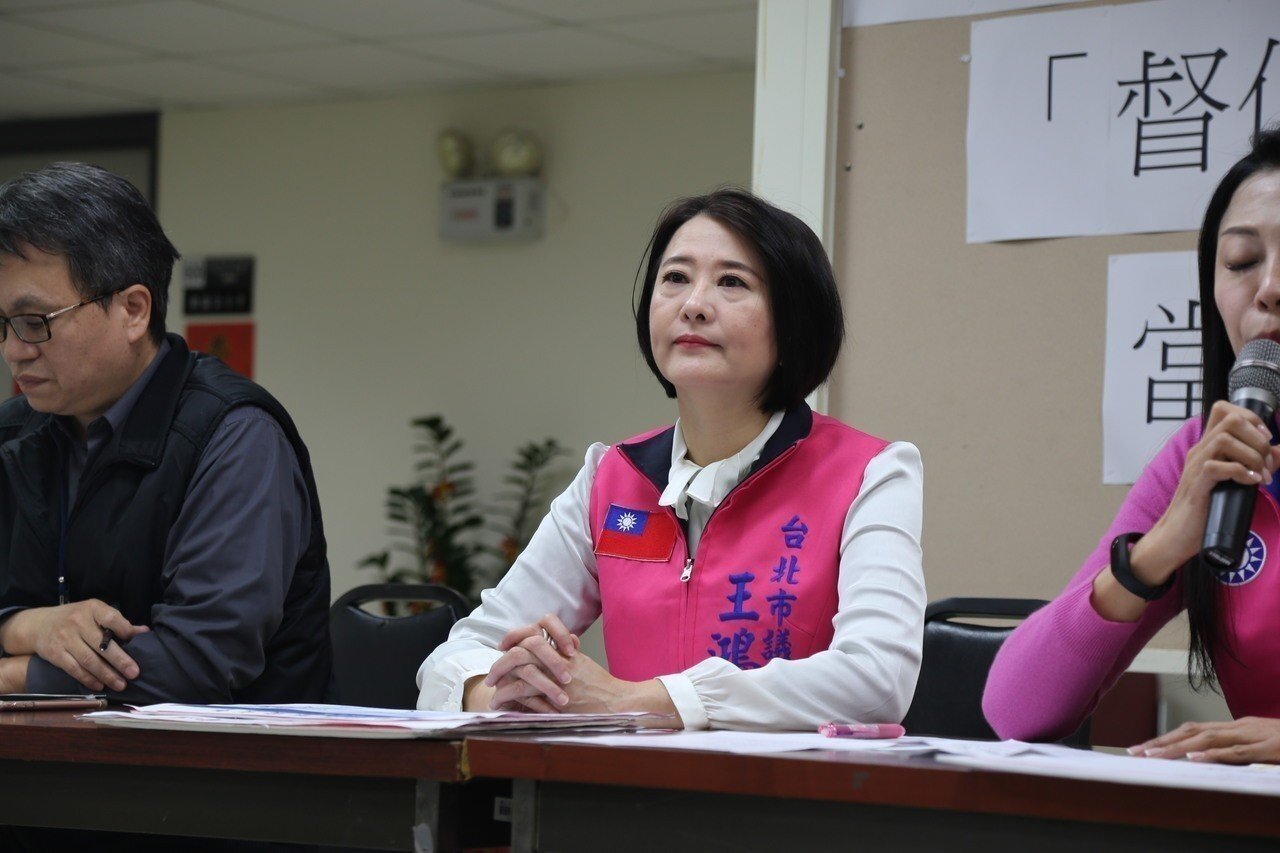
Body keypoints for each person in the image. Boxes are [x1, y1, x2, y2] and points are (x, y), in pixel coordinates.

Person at [417, 188, 925, 730]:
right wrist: (501, 690)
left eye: (732, 282)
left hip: (789, 785)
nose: (694, 305)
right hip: (627, 783)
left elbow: (877, 679)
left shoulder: (871, 473)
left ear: (794, 319)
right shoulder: (611, 477)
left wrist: (637, 701)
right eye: (676, 278)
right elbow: (460, 653)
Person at [983, 126, 1280, 764]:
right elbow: (1015, 709)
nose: (1270, 288)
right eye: (1241, 262)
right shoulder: (1205, 455)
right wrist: (1157, 551)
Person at [0, 162, 331, 704]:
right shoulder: (14, 434)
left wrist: (11, 675)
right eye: (2, 324)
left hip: (226, 755)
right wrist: (26, 627)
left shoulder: (234, 436)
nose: (14, 349)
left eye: (35, 321)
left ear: (133, 310)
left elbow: (197, 661)